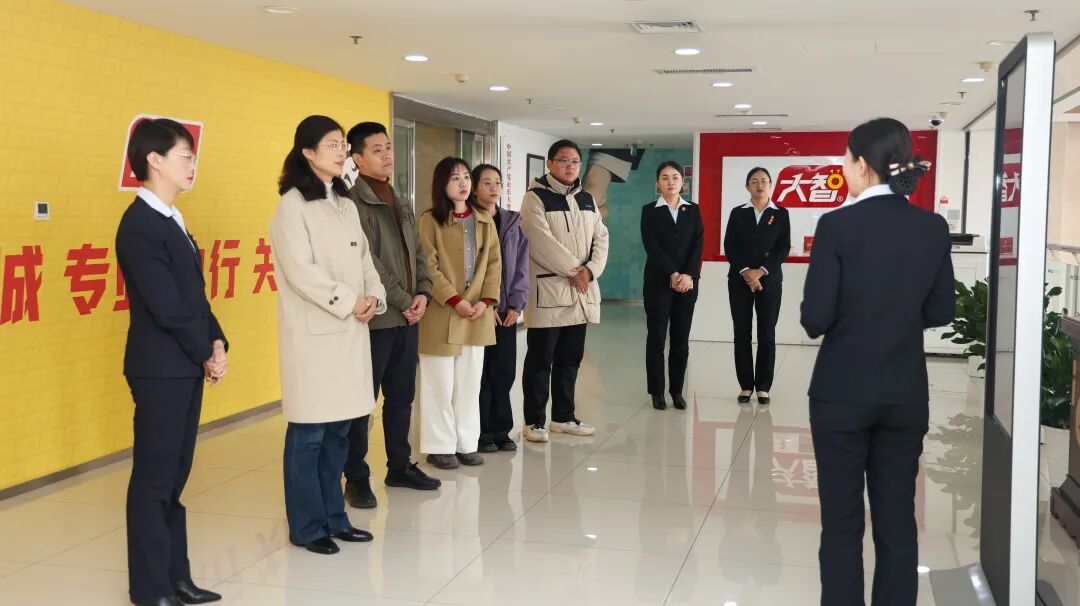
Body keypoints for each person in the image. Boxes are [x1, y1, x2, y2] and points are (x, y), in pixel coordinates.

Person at [801, 117, 954, 606]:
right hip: (905, 392)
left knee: (841, 521)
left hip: (841, 392)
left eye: (846, 160)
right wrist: (895, 318)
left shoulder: (836, 225)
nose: (844, 169)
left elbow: (815, 318)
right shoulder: (932, 227)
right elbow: (941, 310)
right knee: (897, 519)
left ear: (863, 164)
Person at [115, 118, 227, 606]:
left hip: (182, 365)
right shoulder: (139, 225)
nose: (193, 165)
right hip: (159, 369)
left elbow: (194, 298)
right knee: (154, 479)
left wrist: (217, 342)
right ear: (154, 160)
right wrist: (205, 351)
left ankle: (176, 577)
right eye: (185, 156)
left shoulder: (172, 219)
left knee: (175, 476)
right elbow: (167, 306)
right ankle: (150, 588)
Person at [270, 115, 386, 556]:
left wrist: (373, 296)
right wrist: (349, 301)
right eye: (333, 144)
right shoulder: (292, 206)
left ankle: (335, 518)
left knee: (339, 433)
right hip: (315, 338)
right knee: (309, 435)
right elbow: (302, 273)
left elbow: (366, 261)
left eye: (343, 145)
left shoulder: (345, 203)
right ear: (307, 152)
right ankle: (306, 526)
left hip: (350, 332)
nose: (342, 152)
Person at [342, 121, 441, 509]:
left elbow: (419, 253)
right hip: (378, 318)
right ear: (357, 158)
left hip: (407, 317)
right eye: (377, 149)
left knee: (402, 397)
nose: (387, 155)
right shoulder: (352, 203)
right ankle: (356, 476)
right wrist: (403, 300)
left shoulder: (401, 199)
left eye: (388, 147)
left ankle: (400, 466)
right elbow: (369, 263)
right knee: (362, 401)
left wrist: (424, 293)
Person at [519, 140, 610, 442]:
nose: (570, 167)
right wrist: (575, 270)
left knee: (570, 360)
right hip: (550, 294)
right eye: (563, 160)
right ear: (549, 164)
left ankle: (563, 417)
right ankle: (534, 422)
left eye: (575, 162)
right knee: (540, 360)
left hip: (580, 293)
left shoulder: (586, 199)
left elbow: (601, 237)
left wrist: (590, 270)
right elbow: (540, 242)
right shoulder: (535, 198)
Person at [417, 157, 502, 469]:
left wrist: (485, 300)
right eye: (455, 178)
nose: (463, 183)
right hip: (442, 313)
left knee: (469, 384)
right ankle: (439, 446)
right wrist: (454, 300)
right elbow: (428, 265)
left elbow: (494, 264)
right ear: (442, 184)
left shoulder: (484, 219)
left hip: (476, 313)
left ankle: (466, 443)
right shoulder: (430, 220)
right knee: (439, 384)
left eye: (466, 177)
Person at [472, 163, 529, 452]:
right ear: (474, 188)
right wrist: (486, 303)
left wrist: (517, 304)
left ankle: (501, 429)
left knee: (504, 371)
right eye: (486, 183)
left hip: (507, 311)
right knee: (482, 373)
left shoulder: (512, 221)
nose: (493, 188)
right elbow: (471, 269)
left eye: (497, 182)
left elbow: (521, 265)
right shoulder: (468, 220)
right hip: (481, 311)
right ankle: (481, 431)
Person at [724, 167, 791, 406]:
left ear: (770, 185)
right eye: (754, 181)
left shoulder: (781, 214)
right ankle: (745, 385)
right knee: (741, 332)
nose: (759, 185)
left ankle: (763, 387)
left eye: (764, 181)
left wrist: (760, 272)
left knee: (767, 333)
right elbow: (730, 245)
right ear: (747, 186)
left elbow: (782, 248)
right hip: (739, 280)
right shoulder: (738, 213)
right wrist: (746, 272)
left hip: (769, 281)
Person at [640, 161, 704, 411]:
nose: (670, 182)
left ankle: (676, 391)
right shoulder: (649, 211)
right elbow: (652, 247)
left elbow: (697, 245)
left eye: (675, 177)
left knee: (680, 339)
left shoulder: (693, 210)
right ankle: (657, 391)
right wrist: (673, 272)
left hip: (687, 284)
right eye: (665, 177)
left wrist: (687, 275)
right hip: (658, 282)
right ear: (658, 183)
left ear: (682, 182)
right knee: (656, 338)